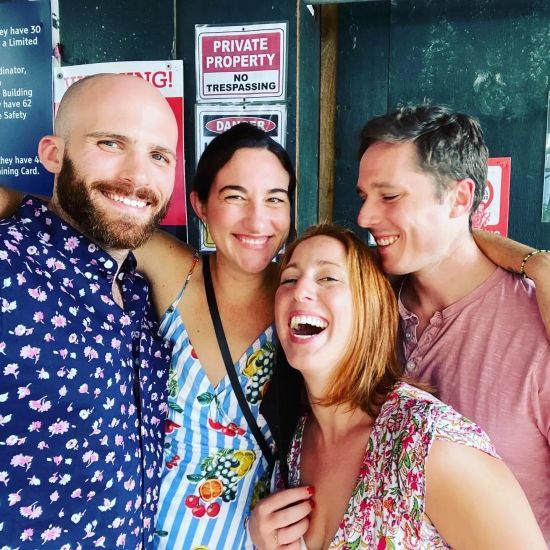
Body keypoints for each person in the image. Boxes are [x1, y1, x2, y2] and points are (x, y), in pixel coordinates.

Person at [249, 224, 546, 549]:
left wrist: (539, 265)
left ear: (370, 308)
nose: (300, 290)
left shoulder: (430, 446)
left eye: (328, 277)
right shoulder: (294, 440)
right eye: (289, 279)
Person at [355, 104, 550, 540]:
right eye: (364, 197)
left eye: (389, 196)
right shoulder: (361, 306)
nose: (365, 217)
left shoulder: (538, 325)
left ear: (460, 198)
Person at [0, 73, 178, 548]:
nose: (139, 177)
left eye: (159, 156)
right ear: (53, 154)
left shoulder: (139, 291)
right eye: (111, 143)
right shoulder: (7, 269)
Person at [132, 123, 295, 549]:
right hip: (142, 534)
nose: (257, 219)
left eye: (275, 199)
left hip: (250, 539)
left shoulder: (302, 300)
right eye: (235, 197)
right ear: (200, 205)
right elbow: (62, 217)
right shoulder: (175, 273)